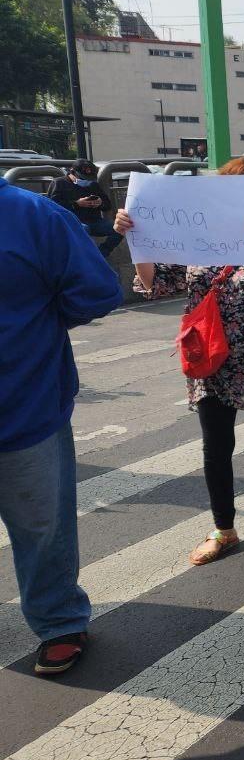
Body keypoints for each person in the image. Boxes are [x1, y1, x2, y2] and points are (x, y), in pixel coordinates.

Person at [114, 157, 244, 567]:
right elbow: (155, 282)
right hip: (213, 359)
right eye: (241, 192)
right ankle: (224, 529)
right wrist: (135, 239)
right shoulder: (196, 240)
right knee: (216, 447)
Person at [1, 172, 121, 675]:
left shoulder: (34, 215)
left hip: (23, 405)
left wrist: (36, 327)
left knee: (41, 523)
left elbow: (95, 290)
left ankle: (58, 621)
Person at [48, 160, 123, 259]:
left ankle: (102, 253)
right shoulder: (59, 183)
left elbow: (107, 205)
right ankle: (86, 257)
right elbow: (52, 206)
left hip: (95, 221)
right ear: (72, 172)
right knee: (84, 229)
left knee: (120, 227)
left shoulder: (92, 185)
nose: (85, 181)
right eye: (82, 178)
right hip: (72, 221)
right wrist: (76, 204)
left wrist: (100, 203)